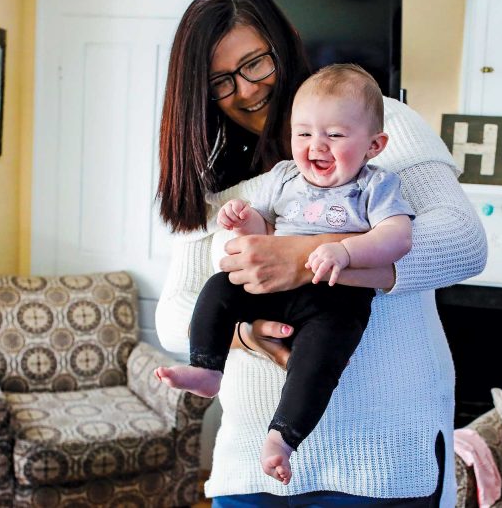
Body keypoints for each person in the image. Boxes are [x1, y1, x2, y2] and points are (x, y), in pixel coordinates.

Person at [155, 0, 487, 506]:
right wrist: (246, 333)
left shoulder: (379, 122)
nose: (245, 90)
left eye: (255, 64)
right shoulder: (218, 179)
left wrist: (304, 261)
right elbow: (174, 314)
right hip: (252, 465)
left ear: (282, 46)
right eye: (221, 80)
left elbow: (463, 242)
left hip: (383, 456)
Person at [155, 64, 414, 486]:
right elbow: (265, 234)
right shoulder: (284, 177)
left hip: (334, 297)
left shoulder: (376, 185)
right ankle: (207, 367)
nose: (317, 146)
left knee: (319, 359)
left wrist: (345, 251)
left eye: (335, 135)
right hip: (274, 291)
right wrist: (243, 221)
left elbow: (398, 237)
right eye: (304, 133)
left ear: (374, 145)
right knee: (221, 286)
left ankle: (283, 437)